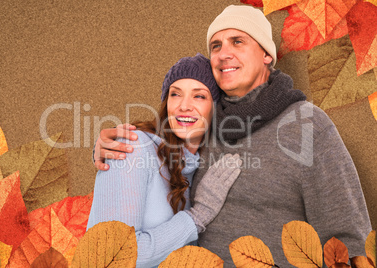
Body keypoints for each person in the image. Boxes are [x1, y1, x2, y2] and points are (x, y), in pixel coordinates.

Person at [93, 5, 372, 267]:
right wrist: (112, 147)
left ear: (266, 55)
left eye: (237, 41)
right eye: (216, 45)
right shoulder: (205, 125)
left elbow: (347, 235)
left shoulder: (307, 125)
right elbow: (161, 149)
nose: (223, 53)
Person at [87, 53, 242, 268]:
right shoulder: (134, 147)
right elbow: (115, 256)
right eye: (175, 94)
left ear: (215, 109)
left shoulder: (196, 167)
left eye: (199, 96)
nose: (184, 106)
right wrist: (197, 216)